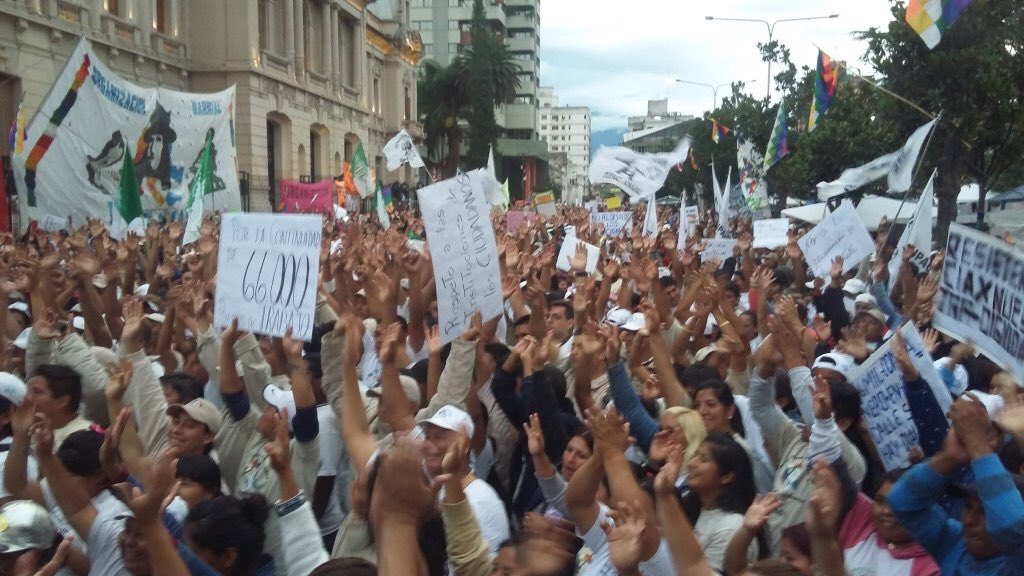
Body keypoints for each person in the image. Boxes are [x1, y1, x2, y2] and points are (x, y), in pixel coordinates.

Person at [888, 394, 1024, 574]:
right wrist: (950, 458)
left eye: (984, 512)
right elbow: (902, 503)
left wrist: (978, 444)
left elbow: (1013, 531)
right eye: (968, 507)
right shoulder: (955, 544)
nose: (969, 520)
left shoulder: (1016, 562)